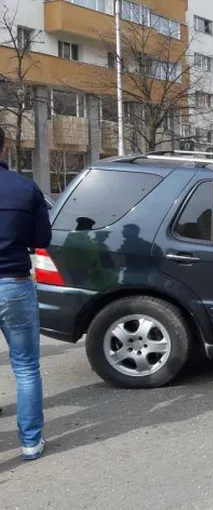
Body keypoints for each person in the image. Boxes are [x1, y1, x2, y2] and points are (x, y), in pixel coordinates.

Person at [0, 126, 52, 460]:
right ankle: (31, 443)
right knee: (25, 367)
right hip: (13, 284)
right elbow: (42, 240)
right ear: (3, 148)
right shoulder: (25, 189)